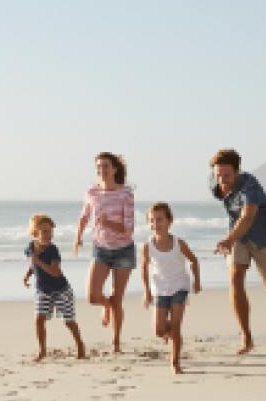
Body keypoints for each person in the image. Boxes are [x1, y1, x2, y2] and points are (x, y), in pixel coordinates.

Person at [209, 148, 266, 354]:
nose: (222, 180)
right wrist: (232, 238)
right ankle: (245, 335)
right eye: (218, 175)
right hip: (239, 238)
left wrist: (228, 239)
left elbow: (247, 217)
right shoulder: (216, 185)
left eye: (226, 175)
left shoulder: (250, 187)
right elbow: (235, 216)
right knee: (235, 279)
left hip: (264, 239)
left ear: (237, 172)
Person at [74, 152, 135, 354]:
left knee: (118, 298)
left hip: (123, 251)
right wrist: (78, 236)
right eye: (99, 167)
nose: (102, 170)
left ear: (115, 169)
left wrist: (107, 222)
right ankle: (105, 306)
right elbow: (84, 216)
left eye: (106, 166)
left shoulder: (125, 193)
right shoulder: (92, 192)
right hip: (101, 249)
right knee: (92, 296)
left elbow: (128, 228)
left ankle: (116, 342)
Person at [140, 202, 202, 374]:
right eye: (151, 221)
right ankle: (169, 334)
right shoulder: (147, 247)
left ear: (169, 221)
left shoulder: (179, 243)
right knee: (159, 330)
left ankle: (175, 363)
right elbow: (143, 268)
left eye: (159, 220)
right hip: (160, 288)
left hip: (179, 286)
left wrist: (197, 281)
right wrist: (146, 292)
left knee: (176, 327)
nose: (155, 224)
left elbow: (194, 260)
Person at [23, 213, 86, 362]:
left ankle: (80, 345)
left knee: (69, 321)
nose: (48, 235)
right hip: (42, 291)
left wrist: (38, 261)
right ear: (34, 233)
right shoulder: (30, 248)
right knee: (39, 319)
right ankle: (42, 350)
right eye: (44, 231)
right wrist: (27, 275)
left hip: (61, 290)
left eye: (50, 231)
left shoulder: (53, 250)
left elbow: (55, 271)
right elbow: (33, 264)